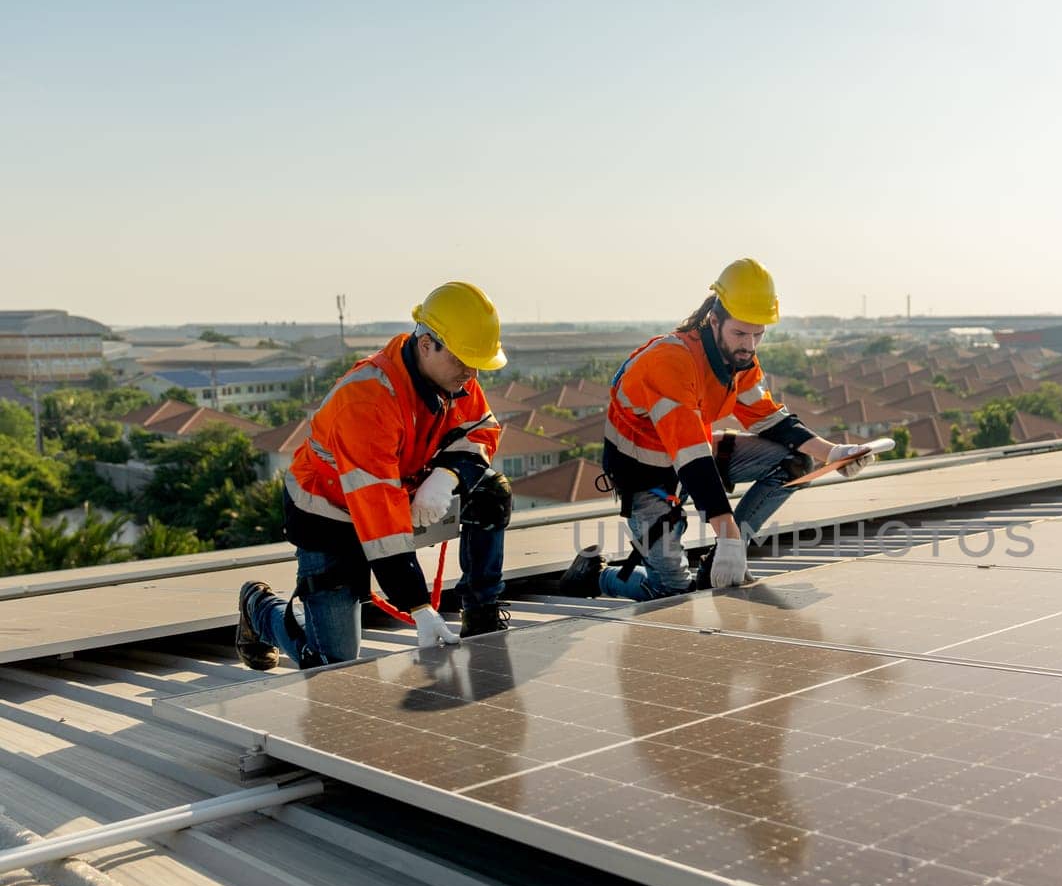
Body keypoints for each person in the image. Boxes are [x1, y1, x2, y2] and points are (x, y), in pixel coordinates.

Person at [235, 281, 515, 671]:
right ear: (426, 343)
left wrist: (448, 476)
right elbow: (379, 516)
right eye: (462, 360)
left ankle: (481, 611)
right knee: (331, 663)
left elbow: (481, 430)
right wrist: (419, 608)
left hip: (392, 496)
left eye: (476, 364)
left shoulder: (457, 380)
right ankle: (259, 608)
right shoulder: (367, 400)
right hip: (329, 515)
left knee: (491, 493)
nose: (471, 373)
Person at [560, 258, 872, 601]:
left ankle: (716, 563)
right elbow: (691, 457)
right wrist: (727, 533)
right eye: (740, 333)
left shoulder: (738, 359)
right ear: (713, 321)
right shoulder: (669, 363)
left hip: (693, 458)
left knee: (794, 460)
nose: (750, 345)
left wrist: (832, 453)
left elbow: (769, 419)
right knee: (671, 590)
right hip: (648, 478)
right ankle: (595, 577)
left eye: (758, 334)